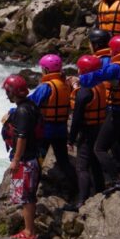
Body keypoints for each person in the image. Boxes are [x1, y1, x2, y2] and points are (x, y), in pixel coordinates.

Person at [79, 36, 120, 194]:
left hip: (118, 113)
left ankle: (117, 180)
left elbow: (91, 80)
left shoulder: (117, 67)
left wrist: (80, 77)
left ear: (116, 50)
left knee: (99, 149)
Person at [1, 75, 41, 239]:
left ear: (13, 93)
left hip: (26, 160)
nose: (6, 95)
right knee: (24, 197)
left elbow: (22, 137)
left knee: (26, 197)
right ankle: (27, 229)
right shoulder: (27, 105)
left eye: (8, 92)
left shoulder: (23, 111)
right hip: (28, 157)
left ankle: (30, 232)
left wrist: (16, 160)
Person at [28, 54, 77, 190]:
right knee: (63, 160)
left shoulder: (46, 87)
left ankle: (33, 188)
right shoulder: (65, 84)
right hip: (61, 128)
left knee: (38, 159)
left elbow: (31, 103)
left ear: (47, 71)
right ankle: (75, 188)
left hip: (46, 130)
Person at [65, 55, 107, 211]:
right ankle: (100, 190)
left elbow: (76, 119)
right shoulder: (101, 84)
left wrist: (71, 139)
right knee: (95, 162)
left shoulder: (84, 92)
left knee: (82, 166)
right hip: (100, 128)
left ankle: (81, 200)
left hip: (88, 130)